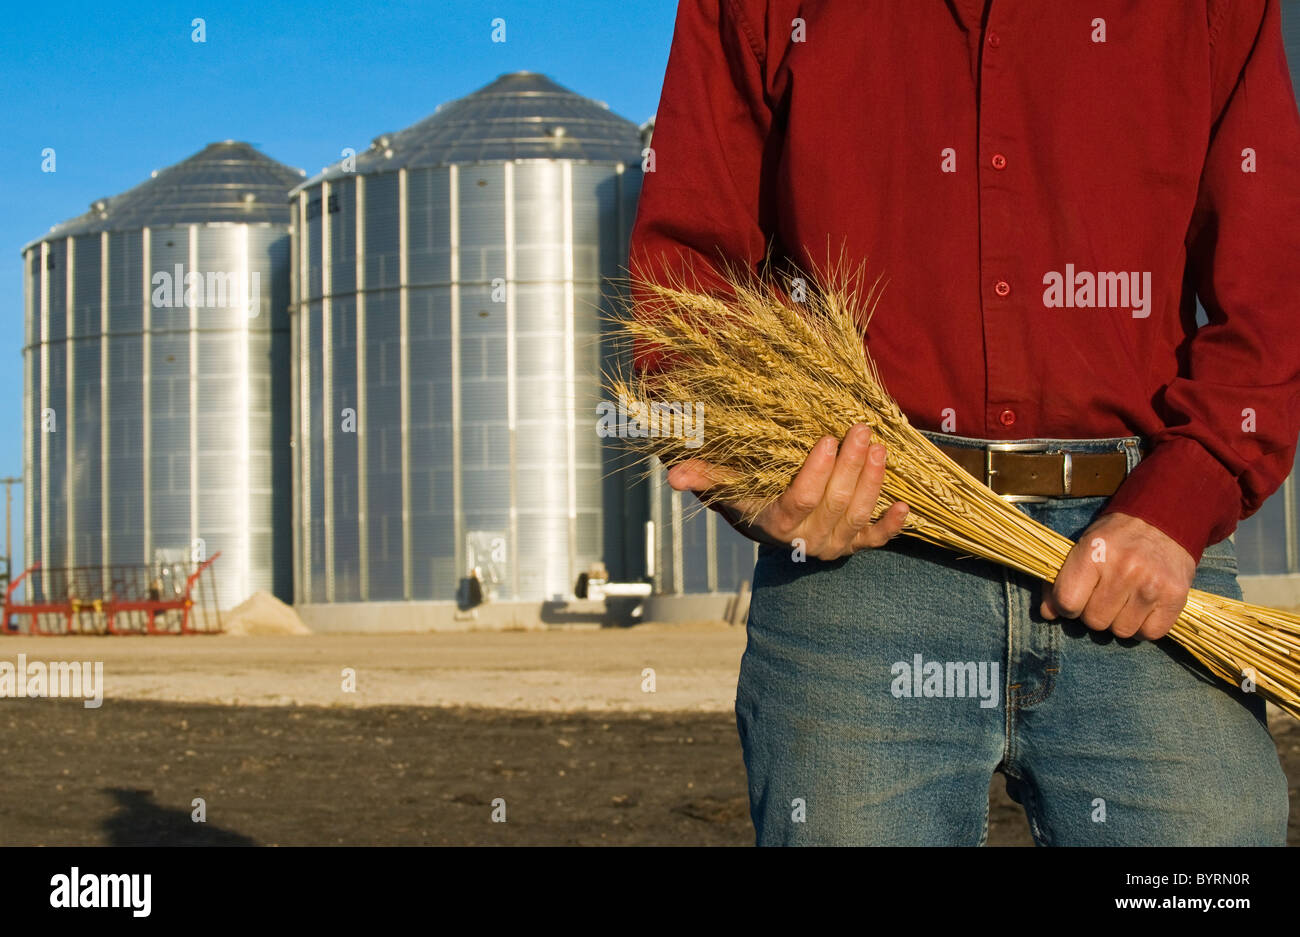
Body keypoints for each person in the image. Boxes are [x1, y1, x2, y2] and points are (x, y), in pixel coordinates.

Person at [628, 0, 1298, 845]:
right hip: (860, 568)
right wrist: (755, 476)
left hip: (1142, 555)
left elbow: (1272, 282)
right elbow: (688, 273)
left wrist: (1188, 492)